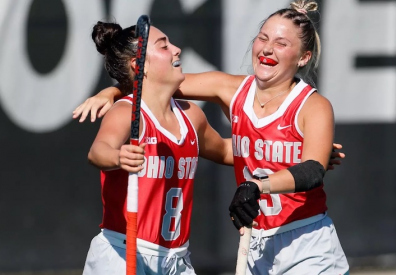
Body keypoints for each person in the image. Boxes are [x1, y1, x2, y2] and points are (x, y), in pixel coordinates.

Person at [74, 1, 349, 274]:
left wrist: (310, 157)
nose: (267, 48)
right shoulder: (228, 89)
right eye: (262, 37)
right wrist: (111, 93)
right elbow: (150, 85)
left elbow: (309, 170)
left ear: (303, 57)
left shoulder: (312, 106)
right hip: (252, 246)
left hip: (305, 240)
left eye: (281, 43)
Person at [83, 21, 233, 275]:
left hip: (177, 260)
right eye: (164, 46)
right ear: (139, 65)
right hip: (124, 253)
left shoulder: (191, 116)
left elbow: (228, 151)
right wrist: (119, 156)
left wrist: (298, 153)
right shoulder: (127, 112)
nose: (177, 49)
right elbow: (98, 151)